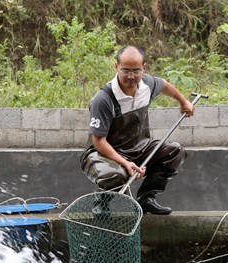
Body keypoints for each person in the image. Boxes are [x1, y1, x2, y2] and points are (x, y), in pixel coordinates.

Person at [81, 45, 195, 215]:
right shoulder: (104, 99)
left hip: (139, 149)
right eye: (125, 70)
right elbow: (99, 141)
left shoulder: (146, 84)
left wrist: (183, 101)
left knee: (175, 151)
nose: (131, 76)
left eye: (136, 71)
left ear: (144, 68)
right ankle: (102, 200)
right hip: (103, 154)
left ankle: (147, 198)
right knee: (116, 176)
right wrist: (125, 163)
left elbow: (164, 84)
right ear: (116, 67)